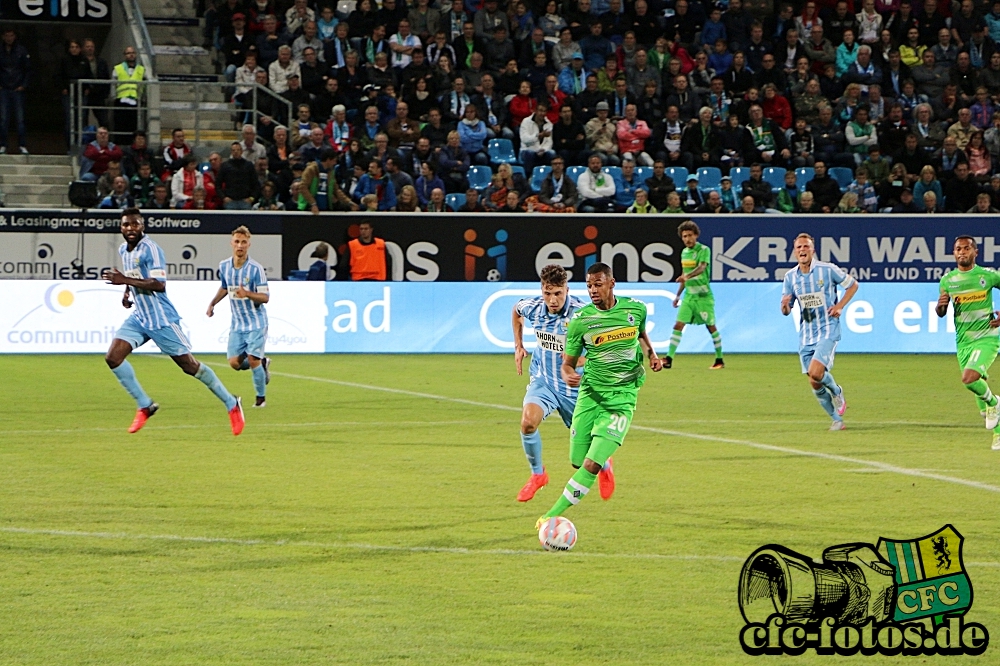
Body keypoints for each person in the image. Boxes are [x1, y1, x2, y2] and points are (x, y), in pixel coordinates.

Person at [534, 262, 663, 530]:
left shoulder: (634, 309)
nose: (593, 290)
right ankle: (606, 461)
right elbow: (567, 363)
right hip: (590, 395)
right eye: (589, 285)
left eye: (598, 284)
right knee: (578, 461)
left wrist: (651, 354)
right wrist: (568, 371)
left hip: (622, 398)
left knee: (591, 464)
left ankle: (549, 516)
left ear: (611, 283)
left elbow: (640, 332)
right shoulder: (581, 322)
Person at [103, 209, 244, 435]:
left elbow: (159, 284)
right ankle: (145, 405)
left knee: (189, 366)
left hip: (161, 319)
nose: (130, 229)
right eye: (126, 225)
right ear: (121, 227)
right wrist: (127, 292)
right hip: (140, 317)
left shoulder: (151, 249)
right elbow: (136, 275)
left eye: (135, 225)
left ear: (143, 226)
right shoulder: (124, 249)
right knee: (113, 357)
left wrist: (124, 280)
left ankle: (231, 403)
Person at [510, 265, 587, 501]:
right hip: (544, 381)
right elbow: (516, 310)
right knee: (527, 423)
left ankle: (604, 466)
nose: (552, 300)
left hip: (572, 386)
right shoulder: (534, 307)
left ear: (567, 290)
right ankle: (538, 475)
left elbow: (603, 347)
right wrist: (518, 345)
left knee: (585, 456)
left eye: (558, 293)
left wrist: (581, 359)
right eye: (547, 293)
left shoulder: (583, 314)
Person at [780, 233, 859, 431]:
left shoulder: (827, 269)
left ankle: (836, 390)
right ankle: (837, 420)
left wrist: (840, 305)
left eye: (806, 247)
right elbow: (786, 309)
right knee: (814, 382)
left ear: (812, 250)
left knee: (816, 372)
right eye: (798, 247)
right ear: (794, 251)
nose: (802, 250)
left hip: (827, 328)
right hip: (806, 333)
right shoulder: (790, 277)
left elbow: (853, 285)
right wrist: (784, 306)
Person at [936, 236, 1000, 449]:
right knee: (982, 408)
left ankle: (995, 402)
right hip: (963, 342)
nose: (962, 252)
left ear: (975, 252)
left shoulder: (988, 276)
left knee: (969, 378)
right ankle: (998, 434)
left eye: (966, 248)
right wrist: (940, 306)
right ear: (953, 254)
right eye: (958, 249)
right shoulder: (947, 281)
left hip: (987, 337)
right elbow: (942, 313)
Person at [206, 226, 271, 409]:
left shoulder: (256, 269)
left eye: (243, 242)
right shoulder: (224, 266)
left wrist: (248, 294)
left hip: (256, 322)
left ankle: (260, 399)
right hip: (237, 324)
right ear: (231, 243)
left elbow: (265, 297)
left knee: (252, 359)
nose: (240, 245)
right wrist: (213, 303)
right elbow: (225, 287)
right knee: (234, 363)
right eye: (237, 242)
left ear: (249, 244)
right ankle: (262, 363)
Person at [666, 221, 724, 370]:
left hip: (704, 297)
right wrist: (678, 295)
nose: (687, 239)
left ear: (696, 235)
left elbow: (702, 267)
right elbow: (684, 276)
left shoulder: (704, 250)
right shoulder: (684, 253)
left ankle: (719, 359)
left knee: (711, 326)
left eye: (690, 235)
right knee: (678, 325)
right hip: (689, 297)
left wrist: (687, 277)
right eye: (684, 236)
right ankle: (669, 359)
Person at [0, 29, 30, 154]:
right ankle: (3, 144)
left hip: (17, 89)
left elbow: (28, 69)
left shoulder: (21, 50)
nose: (9, 38)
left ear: (15, 36)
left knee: (20, 119)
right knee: (3, 118)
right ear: (3, 37)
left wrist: (23, 85)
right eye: (6, 36)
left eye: (11, 35)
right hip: (4, 89)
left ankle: (22, 145)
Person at [111, 46, 145, 145]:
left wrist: (142, 98)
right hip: (121, 100)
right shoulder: (118, 68)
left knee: (133, 126)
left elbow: (145, 86)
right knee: (120, 126)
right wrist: (113, 98)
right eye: (128, 53)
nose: (131, 55)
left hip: (135, 101)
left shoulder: (141, 69)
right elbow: (113, 84)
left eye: (133, 53)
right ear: (124, 55)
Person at [217, 142, 261, 209]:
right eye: (233, 150)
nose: (236, 152)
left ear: (242, 151)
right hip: (230, 201)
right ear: (231, 152)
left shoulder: (249, 165)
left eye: (238, 150)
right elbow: (218, 184)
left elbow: (256, 184)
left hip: (245, 201)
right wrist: (223, 197)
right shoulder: (225, 166)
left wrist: (252, 198)